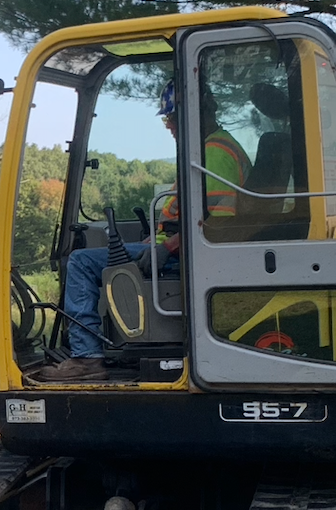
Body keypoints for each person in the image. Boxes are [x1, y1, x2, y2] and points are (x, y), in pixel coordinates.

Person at [33, 81, 250, 383]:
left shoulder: (215, 153)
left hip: (189, 254)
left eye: (170, 117)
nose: (168, 126)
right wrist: (156, 240)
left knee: (81, 262)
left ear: (194, 114)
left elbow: (219, 223)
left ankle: (86, 357)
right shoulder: (211, 148)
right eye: (167, 119)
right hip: (181, 247)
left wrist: (168, 248)